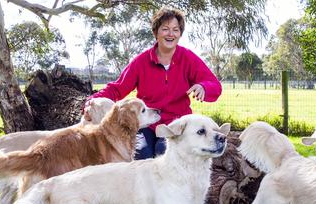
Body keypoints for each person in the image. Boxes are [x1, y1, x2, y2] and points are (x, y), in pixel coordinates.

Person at [83, 7, 222, 159]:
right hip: (146, 123)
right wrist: (92, 101)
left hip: (175, 126)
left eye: (175, 30)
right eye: (165, 29)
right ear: (156, 32)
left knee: (165, 153)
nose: (170, 34)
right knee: (142, 155)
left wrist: (204, 87)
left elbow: (214, 85)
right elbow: (118, 88)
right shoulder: (141, 62)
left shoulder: (188, 58)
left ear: (180, 34)